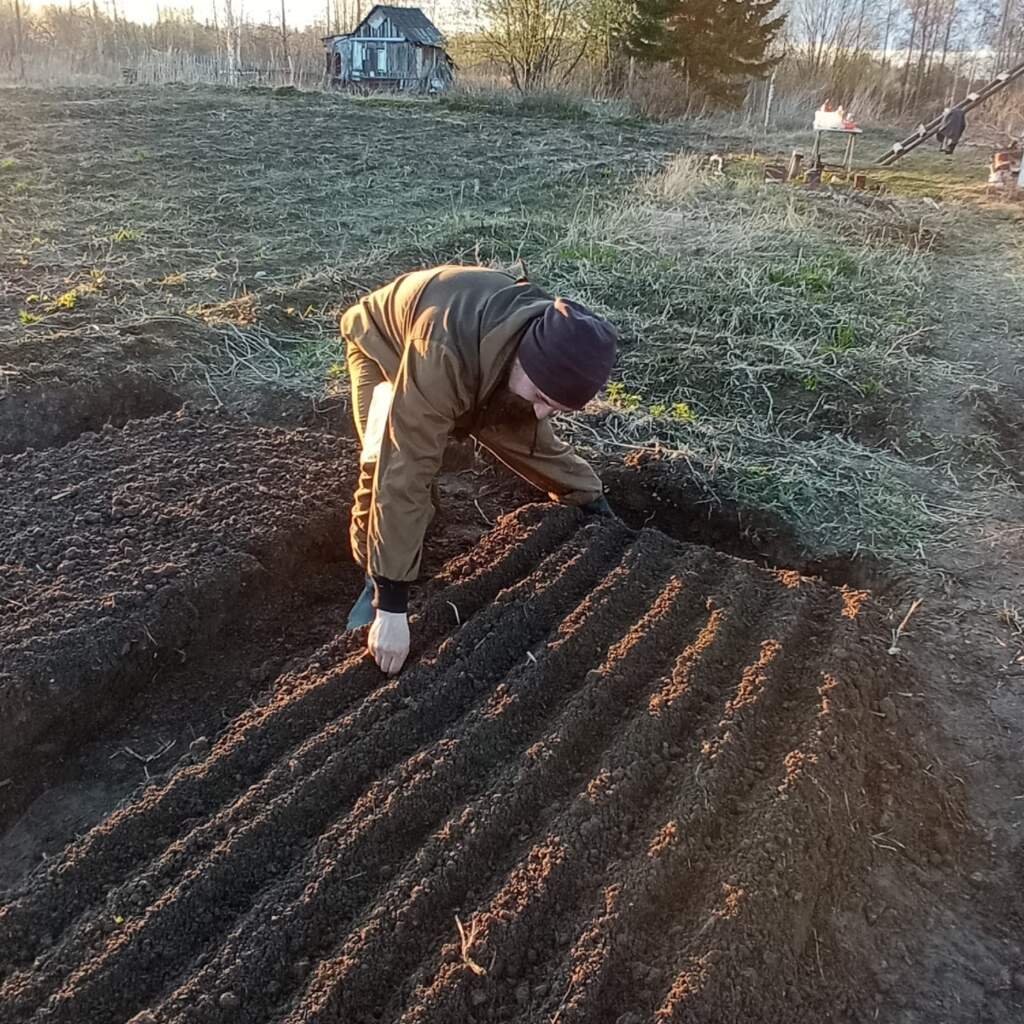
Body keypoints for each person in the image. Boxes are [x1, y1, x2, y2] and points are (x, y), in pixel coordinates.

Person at [339, 264, 619, 675]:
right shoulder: (442, 354)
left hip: (467, 355)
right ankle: (375, 582)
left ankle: (590, 499)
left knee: (521, 425)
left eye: (556, 408)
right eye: (541, 396)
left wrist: (592, 503)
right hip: (387, 348)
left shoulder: (537, 345)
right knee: (384, 459)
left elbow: (534, 442)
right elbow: (404, 467)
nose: (543, 411)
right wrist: (393, 605)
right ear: (523, 359)